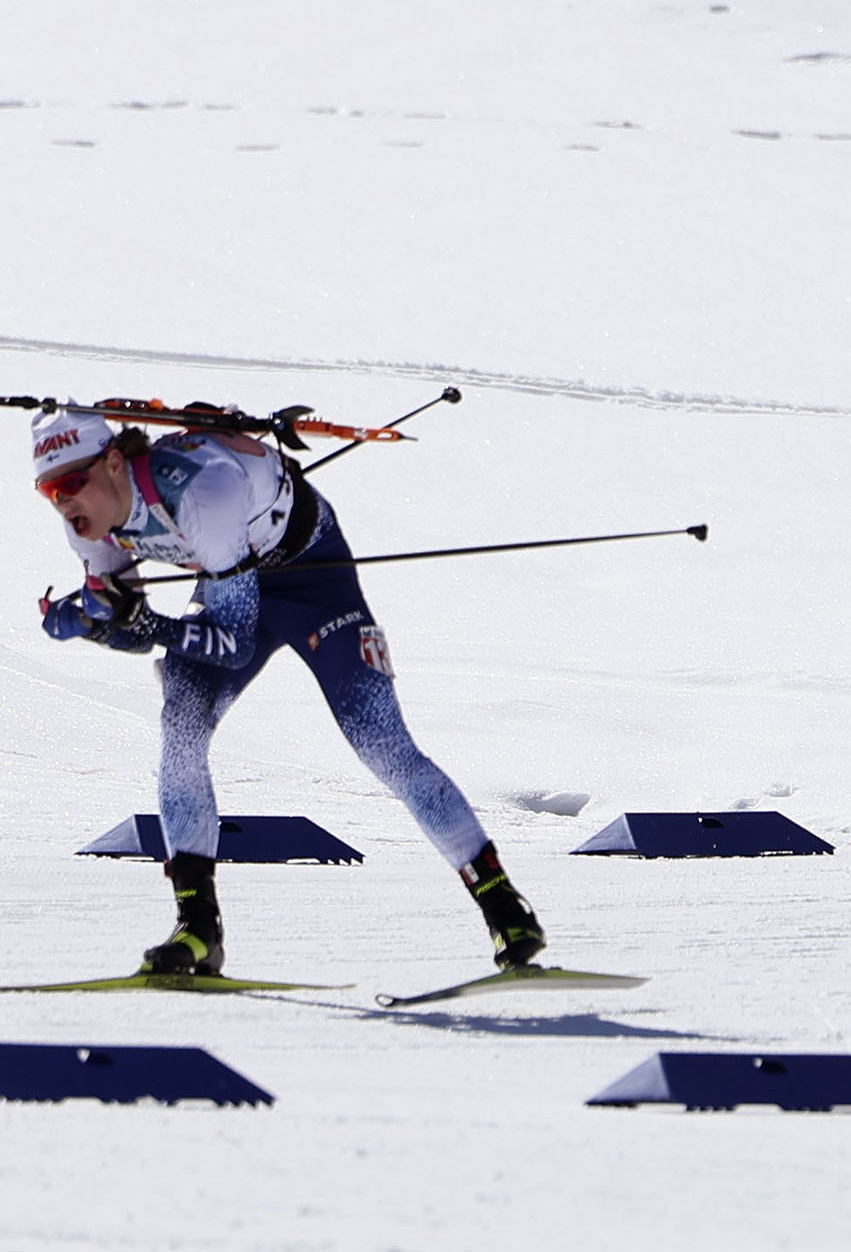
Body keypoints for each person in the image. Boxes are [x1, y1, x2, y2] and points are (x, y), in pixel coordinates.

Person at [28, 407, 540, 977]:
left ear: (115, 463)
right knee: (182, 717)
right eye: (49, 492)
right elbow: (132, 632)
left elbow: (232, 644)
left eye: (72, 483)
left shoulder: (203, 492)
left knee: (380, 742)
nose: (63, 503)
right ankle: (196, 927)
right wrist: (99, 625)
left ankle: (502, 904)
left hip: (314, 580)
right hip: (230, 585)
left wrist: (149, 626)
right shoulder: (91, 527)